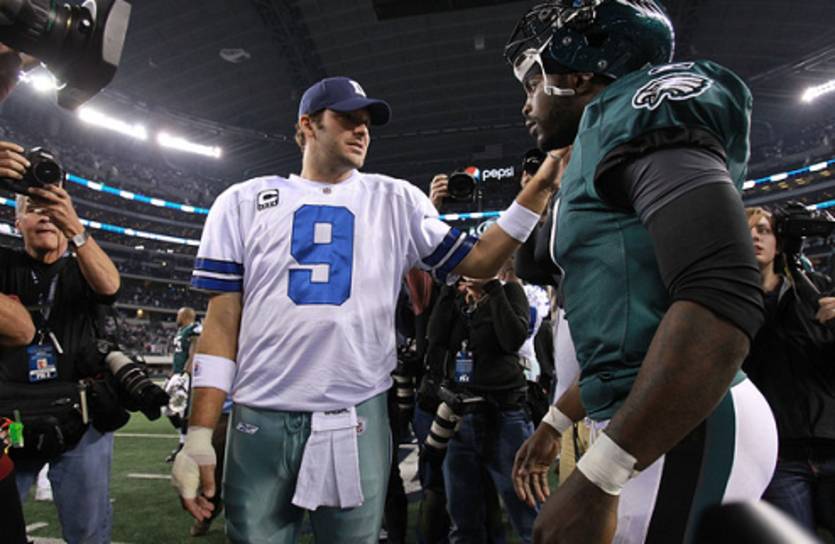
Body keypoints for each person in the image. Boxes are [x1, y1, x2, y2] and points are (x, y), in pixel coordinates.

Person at [171, 75, 566, 544]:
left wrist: (541, 186)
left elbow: (480, 261)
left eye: (366, 122)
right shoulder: (241, 202)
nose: (362, 130)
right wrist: (199, 436)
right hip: (261, 415)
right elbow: (221, 326)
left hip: (356, 414)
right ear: (307, 125)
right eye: (346, 118)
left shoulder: (395, 199)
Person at [504, 2, 778, 543]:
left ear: (578, 74)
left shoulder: (637, 113)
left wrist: (601, 475)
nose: (526, 103)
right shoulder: (595, 145)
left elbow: (720, 290)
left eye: (533, 81)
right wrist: (556, 423)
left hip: (683, 422)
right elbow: (626, 339)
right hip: (655, 420)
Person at [0, 176, 120, 543]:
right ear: (17, 221)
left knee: (88, 531)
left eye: (53, 208)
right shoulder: (3, 262)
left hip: (79, 415)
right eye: (34, 209)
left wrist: (76, 229)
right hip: (11, 418)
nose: (45, 216)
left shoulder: (84, 265)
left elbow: (110, 286)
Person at [425, 271, 538, 543]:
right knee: (463, 521)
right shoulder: (457, 299)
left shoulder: (509, 291)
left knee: (527, 515)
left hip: (504, 415)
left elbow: (512, 340)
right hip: (460, 415)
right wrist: (448, 290)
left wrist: (492, 290)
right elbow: (436, 336)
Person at [743, 207, 835, 535]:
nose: (755, 236)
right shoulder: (732, 304)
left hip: (830, 441)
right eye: (747, 230)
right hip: (779, 455)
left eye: (764, 230)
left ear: (779, 243)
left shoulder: (818, 289)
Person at [164, 306, 202, 463]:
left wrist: (186, 373)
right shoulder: (181, 330)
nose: (176, 318)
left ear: (186, 316)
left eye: (178, 315)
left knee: (184, 411)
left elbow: (195, 352)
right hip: (177, 374)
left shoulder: (194, 328)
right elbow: (178, 355)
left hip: (186, 375)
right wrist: (172, 374)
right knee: (168, 409)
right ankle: (185, 439)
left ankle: (183, 445)